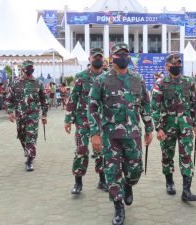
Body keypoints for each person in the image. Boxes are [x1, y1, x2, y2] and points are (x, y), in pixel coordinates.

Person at [88, 43, 153, 225]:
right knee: (112, 172)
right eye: (119, 54)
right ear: (112, 57)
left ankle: (128, 185)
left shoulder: (137, 79)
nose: (123, 57)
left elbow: (146, 105)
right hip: (110, 137)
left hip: (133, 135)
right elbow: (92, 107)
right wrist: (95, 133)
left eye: (126, 54)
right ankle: (118, 206)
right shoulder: (101, 80)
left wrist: (149, 128)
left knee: (135, 171)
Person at [151, 53, 196, 201]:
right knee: (167, 155)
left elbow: (194, 104)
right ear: (167, 66)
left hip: (185, 125)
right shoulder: (160, 83)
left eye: (179, 64)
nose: (177, 67)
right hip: (167, 125)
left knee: (186, 156)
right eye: (174, 65)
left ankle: (186, 190)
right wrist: (158, 128)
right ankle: (169, 182)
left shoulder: (188, 82)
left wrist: (194, 124)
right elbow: (155, 107)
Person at [64, 48, 107, 194]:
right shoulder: (81, 76)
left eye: (100, 57)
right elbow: (73, 98)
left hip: (101, 121)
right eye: (95, 57)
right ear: (89, 59)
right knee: (81, 150)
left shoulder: (107, 77)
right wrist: (68, 119)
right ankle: (78, 182)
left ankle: (102, 181)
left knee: (100, 151)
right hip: (83, 119)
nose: (97, 59)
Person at [4, 61, 48, 171]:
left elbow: (44, 99)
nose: (30, 70)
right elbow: (9, 99)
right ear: (23, 69)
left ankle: (29, 159)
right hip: (20, 116)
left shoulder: (38, 82)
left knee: (31, 136)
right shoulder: (15, 83)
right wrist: (10, 112)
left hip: (33, 115)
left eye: (31, 68)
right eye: (28, 68)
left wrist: (44, 115)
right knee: (22, 135)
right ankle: (27, 150)